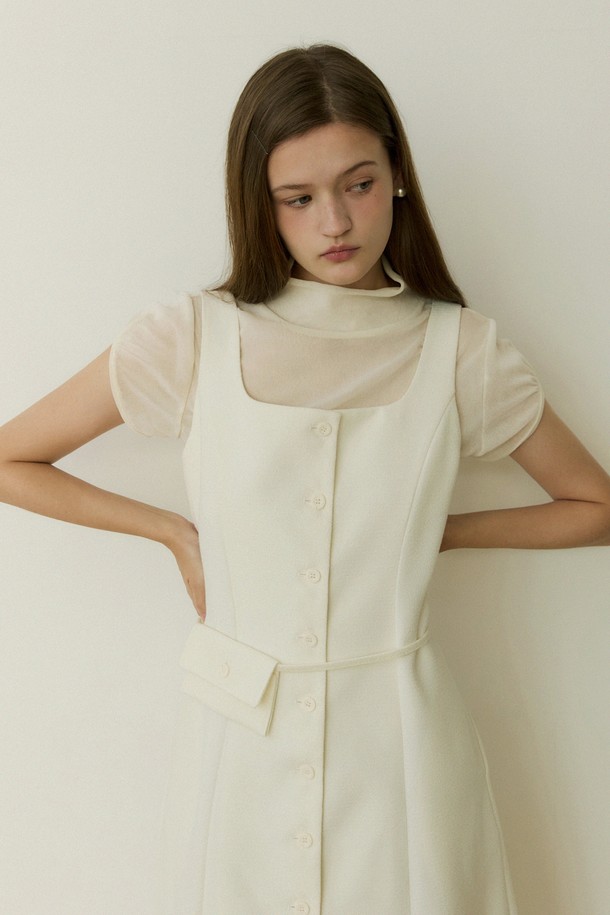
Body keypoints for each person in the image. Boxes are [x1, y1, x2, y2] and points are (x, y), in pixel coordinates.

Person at [0, 42, 608, 915]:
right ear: (261, 204)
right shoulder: (193, 338)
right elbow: (12, 457)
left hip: (401, 748)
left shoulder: (462, 350)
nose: (336, 222)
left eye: (359, 184)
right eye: (299, 198)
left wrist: (436, 533)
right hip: (239, 743)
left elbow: (594, 504)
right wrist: (172, 532)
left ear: (398, 177)